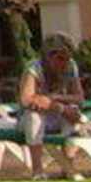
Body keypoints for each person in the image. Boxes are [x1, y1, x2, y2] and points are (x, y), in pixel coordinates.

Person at [17, 35, 85, 172]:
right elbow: (26, 99)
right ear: (48, 57)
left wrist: (54, 99)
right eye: (59, 58)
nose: (63, 63)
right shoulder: (34, 68)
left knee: (74, 114)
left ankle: (68, 167)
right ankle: (37, 170)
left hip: (57, 114)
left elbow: (79, 98)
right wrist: (56, 106)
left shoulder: (71, 66)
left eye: (67, 58)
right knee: (34, 116)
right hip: (31, 120)